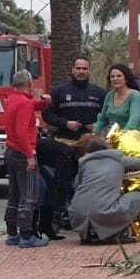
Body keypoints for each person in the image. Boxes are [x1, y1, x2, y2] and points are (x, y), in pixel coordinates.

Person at [43, 56, 104, 228]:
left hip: (90, 147)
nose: (81, 71)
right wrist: (66, 124)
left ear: (89, 70)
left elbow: (107, 116)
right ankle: (61, 215)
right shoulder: (59, 92)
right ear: (72, 70)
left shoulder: (99, 93)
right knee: (63, 182)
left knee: (88, 182)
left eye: (84, 68)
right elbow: (47, 115)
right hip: (64, 145)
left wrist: (97, 125)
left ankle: (90, 216)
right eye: (78, 68)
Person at [68, 135, 140, 243]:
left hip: (77, 214)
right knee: (139, 197)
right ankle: (114, 233)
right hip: (103, 213)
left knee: (97, 204)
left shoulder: (84, 163)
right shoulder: (118, 159)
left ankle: (90, 234)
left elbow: (76, 186)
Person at [2, 69, 47, 248]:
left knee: (13, 195)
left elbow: (29, 104)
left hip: (11, 151)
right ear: (29, 84)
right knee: (28, 195)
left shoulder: (12, 99)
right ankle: (26, 235)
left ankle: (12, 233)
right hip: (23, 153)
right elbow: (22, 131)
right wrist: (30, 156)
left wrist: (43, 103)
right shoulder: (25, 103)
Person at [93, 64, 140, 137]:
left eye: (119, 76)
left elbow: (134, 120)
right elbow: (102, 119)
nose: (115, 78)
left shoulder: (135, 96)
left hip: (130, 140)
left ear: (126, 78)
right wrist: (94, 134)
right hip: (111, 139)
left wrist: (121, 137)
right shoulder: (109, 95)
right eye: (112, 77)